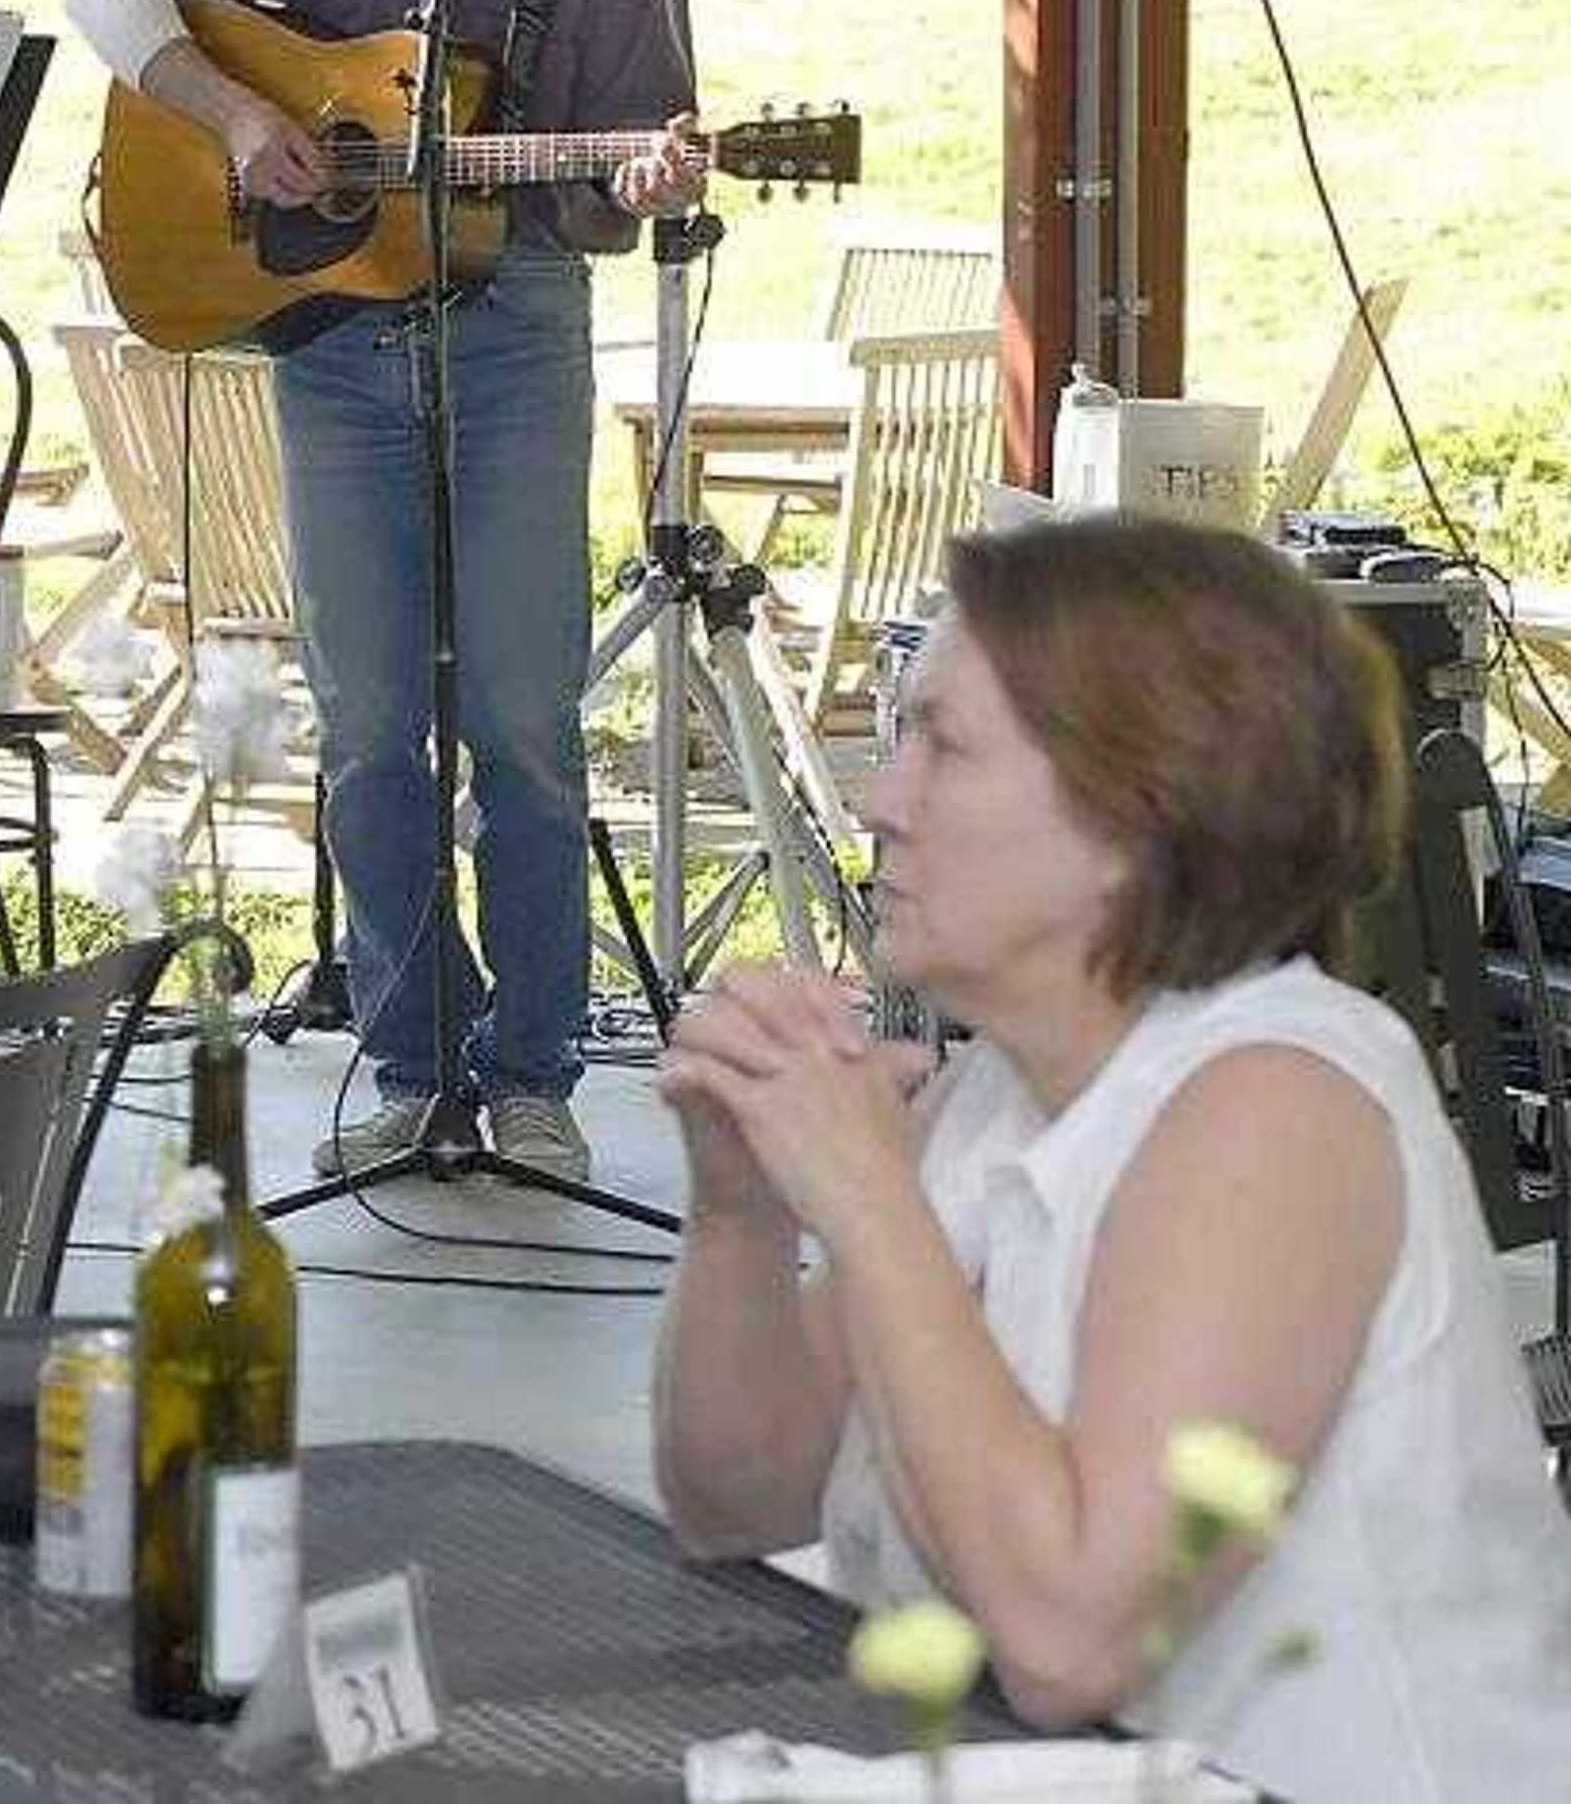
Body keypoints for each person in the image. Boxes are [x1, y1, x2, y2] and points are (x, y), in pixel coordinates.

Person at [650, 514, 1571, 1800]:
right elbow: (733, 1502)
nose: (879, 802)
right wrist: (741, 1210)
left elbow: (1074, 1641)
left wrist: (864, 1199)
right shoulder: (989, 1098)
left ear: (1134, 816)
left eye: (945, 748)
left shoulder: (1281, 1105)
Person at [61, 0, 706, 1177]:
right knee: (364, 719)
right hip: (337, 342)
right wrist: (239, 111)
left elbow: (621, 156)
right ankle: (412, 1058)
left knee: (520, 712)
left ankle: (536, 1066)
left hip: (517, 329)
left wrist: (637, 172)